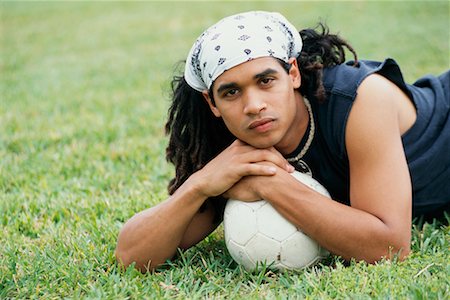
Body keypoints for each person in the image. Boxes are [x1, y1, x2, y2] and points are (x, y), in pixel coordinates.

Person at [115, 11, 450, 272]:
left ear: (292, 73)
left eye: (265, 80)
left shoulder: (360, 100)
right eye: (230, 92)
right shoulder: (232, 145)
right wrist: (200, 185)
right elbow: (131, 257)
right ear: (212, 104)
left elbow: (390, 248)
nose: (253, 105)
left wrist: (270, 184)